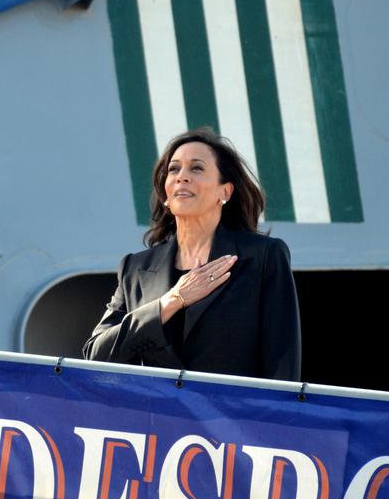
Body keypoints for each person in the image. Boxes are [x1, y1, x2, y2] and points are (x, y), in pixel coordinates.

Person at [83, 128, 301, 380]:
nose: (181, 177)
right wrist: (171, 301)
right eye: (174, 169)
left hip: (232, 417)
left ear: (225, 192)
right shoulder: (135, 268)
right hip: (155, 417)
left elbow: (282, 364)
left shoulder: (263, 257)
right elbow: (96, 355)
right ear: (165, 191)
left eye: (196, 168)